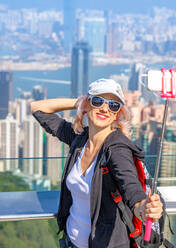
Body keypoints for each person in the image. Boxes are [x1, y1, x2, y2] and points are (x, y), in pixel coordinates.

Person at [30, 78, 163, 248]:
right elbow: (37, 108)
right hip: (71, 242)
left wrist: (143, 207)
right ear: (87, 105)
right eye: (98, 101)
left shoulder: (117, 150)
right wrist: (79, 103)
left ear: (117, 113)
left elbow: (130, 186)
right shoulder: (80, 139)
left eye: (113, 105)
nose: (105, 108)